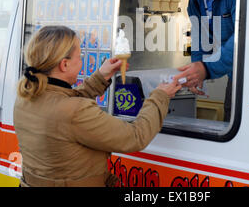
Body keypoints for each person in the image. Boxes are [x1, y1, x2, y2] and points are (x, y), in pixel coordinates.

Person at [14, 25, 181, 187]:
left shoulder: (25, 98)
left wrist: (101, 76)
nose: (82, 61)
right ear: (64, 65)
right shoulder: (73, 111)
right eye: (79, 56)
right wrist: (160, 96)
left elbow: (62, 103)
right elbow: (135, 137)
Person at [171, 0, 237, 122]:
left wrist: (207, 68)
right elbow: (199, 37)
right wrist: (195, 70)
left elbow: (245, 37)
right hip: (234, 77)